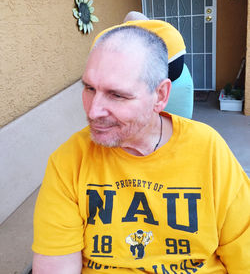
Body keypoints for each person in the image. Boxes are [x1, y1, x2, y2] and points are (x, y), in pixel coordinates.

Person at [32, 21, 250, 273]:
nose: (93, 111)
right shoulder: (69, 161)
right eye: (89, 88)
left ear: (160, 96)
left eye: (117, 95)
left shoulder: (208, 150)